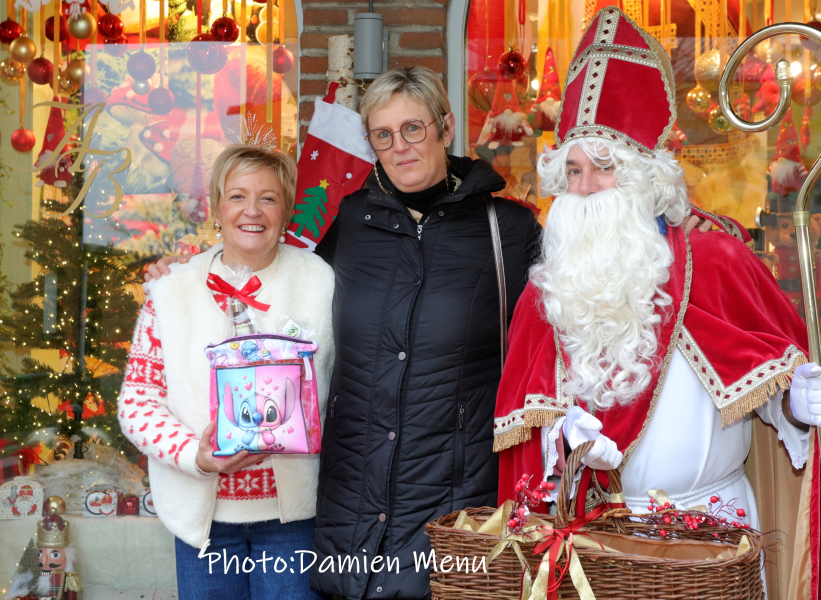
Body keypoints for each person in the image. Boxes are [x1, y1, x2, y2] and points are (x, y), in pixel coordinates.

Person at [145, 68, 716, 599]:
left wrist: (673, 227)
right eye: (384, 135)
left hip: (455, 506)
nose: (400, 147)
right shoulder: (349, 222)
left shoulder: (508, 230)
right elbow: (272, 272)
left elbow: (596, 285)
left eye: (413, 128)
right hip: (350, 503)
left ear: (445, 128)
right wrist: (188, 275)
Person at [493, 6, 821, 596]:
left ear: (646, 176)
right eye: (571, 171)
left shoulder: (718, 263)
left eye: (603, 168)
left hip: (715, 537)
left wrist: (801, 406)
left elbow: (768, 399)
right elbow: (524, 447)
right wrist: (562, 440)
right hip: (598, 544)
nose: (582, 189)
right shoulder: (548, 292)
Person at [119, 144, 334, 600]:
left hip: (295, 521)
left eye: (268, 198)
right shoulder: (172, 289)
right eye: (237, 196)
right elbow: (137, 402)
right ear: (217, 207)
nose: (251, 211)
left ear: (287, 209)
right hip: (205, 524)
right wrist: (193, 455)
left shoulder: (322, 282)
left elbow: (352, 388)